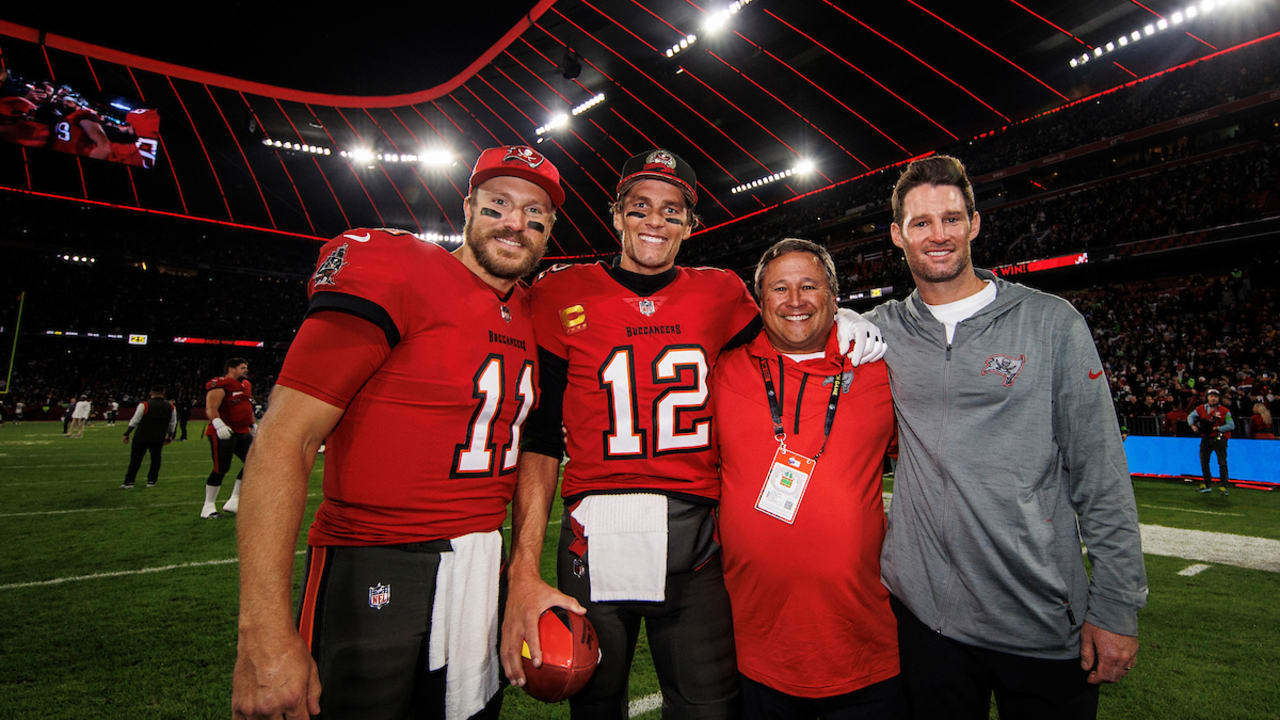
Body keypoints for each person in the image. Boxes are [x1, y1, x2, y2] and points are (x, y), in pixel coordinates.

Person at [500, 149, 885, 719]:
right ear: (617, 215)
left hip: (695, 536)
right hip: (593, 532)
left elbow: (787, 337)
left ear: (689, 223)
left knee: (710, 707)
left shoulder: (722, 293)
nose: (655, 220)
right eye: (641, 206)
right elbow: (539, 437)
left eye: (672, 210)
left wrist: (846, 319)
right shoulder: (560, 292)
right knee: (592, 701)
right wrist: (523, 565)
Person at [231, 144, 563, 720]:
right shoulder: (397, 266)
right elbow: (287, 437)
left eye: (535, 213)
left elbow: (538, 446)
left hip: (481, 563)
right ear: (467, 207)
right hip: (376, 558)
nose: (517, 222)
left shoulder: (538, 310)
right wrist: (261, 631)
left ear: (549, 227)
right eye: (500, 204)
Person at [865, 155, 1148, 720]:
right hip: (927, 622)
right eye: (921, 223)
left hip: (1039, 617)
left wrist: (1116, 606)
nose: (938, 235)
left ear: (974, 223)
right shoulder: (881, 332)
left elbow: (1101, 472)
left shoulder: (1050, 322)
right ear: (899, 235)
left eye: (950, 218)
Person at [711, 239, 903, 719]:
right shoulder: (722, 372)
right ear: (759, 302)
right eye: (779, 288)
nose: (794, 301)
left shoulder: (880, 369)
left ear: (835, 298)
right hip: (755, 648)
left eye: (809, 286)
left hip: (866, 645)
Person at [202, 358, 256, 519]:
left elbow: (246, 407)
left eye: (246, 367)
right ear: (231, 369)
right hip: (223, 432)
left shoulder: (246, 385)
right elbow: (211, 407)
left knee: (255, 461)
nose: (245, 370)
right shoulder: (220, 383)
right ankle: (208, 505)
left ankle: (234, 499)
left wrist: (253, 425)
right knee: (221, 468)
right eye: (242, 367)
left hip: (242, 430)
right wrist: (218, 424)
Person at [120, 386, 176, 488]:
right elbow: (172, 423)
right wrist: (170, 436)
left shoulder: (144, 405)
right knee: (156, 459)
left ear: (151, 393)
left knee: (135, 459)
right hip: (159, 436)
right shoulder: (171, 407)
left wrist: (126, 433)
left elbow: (135, 420)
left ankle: (129, 481)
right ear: (163, 393)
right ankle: (151, 481)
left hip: (142, 436)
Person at [1188, 388, 1233, 495]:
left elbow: (1231, 425)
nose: (1213, 398)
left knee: (1222, 462)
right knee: (1204, 461)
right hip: (1206, 438)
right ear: (1207, 398)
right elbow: (1190, 416)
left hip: (1219, 438)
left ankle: (1223, 486)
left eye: (1215, 397)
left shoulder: (1224, 411)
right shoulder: (1200, 409)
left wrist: (1218, 428)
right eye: (1211, 396)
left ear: (1218, 399)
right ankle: (1207, 484)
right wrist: (1192, 425)